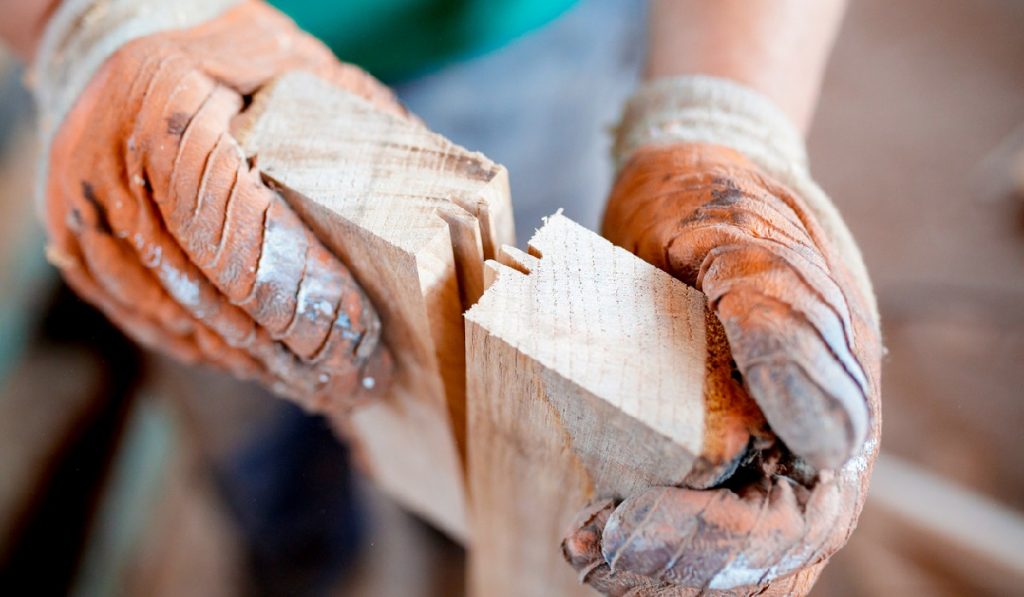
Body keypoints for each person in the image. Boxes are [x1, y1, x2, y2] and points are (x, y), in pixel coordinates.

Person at [0, 0, 879, 594]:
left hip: (522, 45)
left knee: (565, 442)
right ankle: (302, 561)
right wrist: (79, 21)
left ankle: (463, 556)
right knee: (255, 412)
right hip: (168, 58)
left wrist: (727, 115)